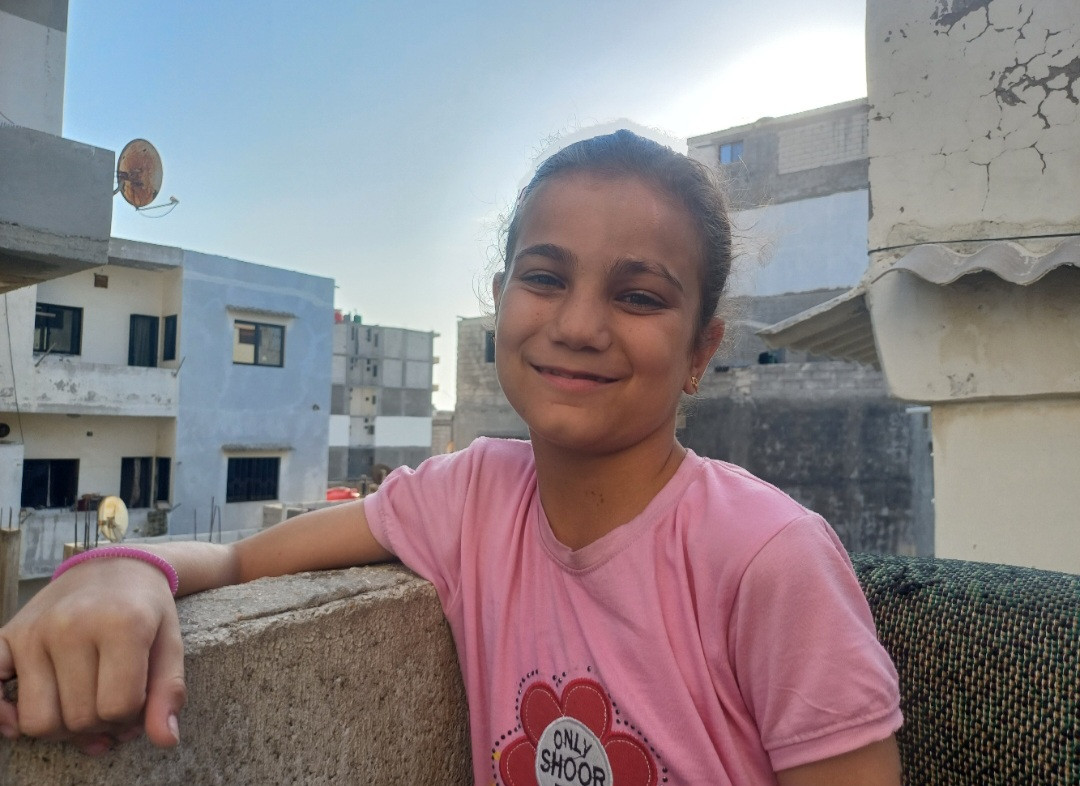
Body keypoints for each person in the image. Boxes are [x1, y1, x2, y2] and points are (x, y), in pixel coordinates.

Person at [0, 129, 903, 785]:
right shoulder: (473, 495)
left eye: (637, 296)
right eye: (544, 278)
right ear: (501, 301)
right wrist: (121, 571)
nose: (579, 325)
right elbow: (241, 562)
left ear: (701, 351)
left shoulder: (769, 559)